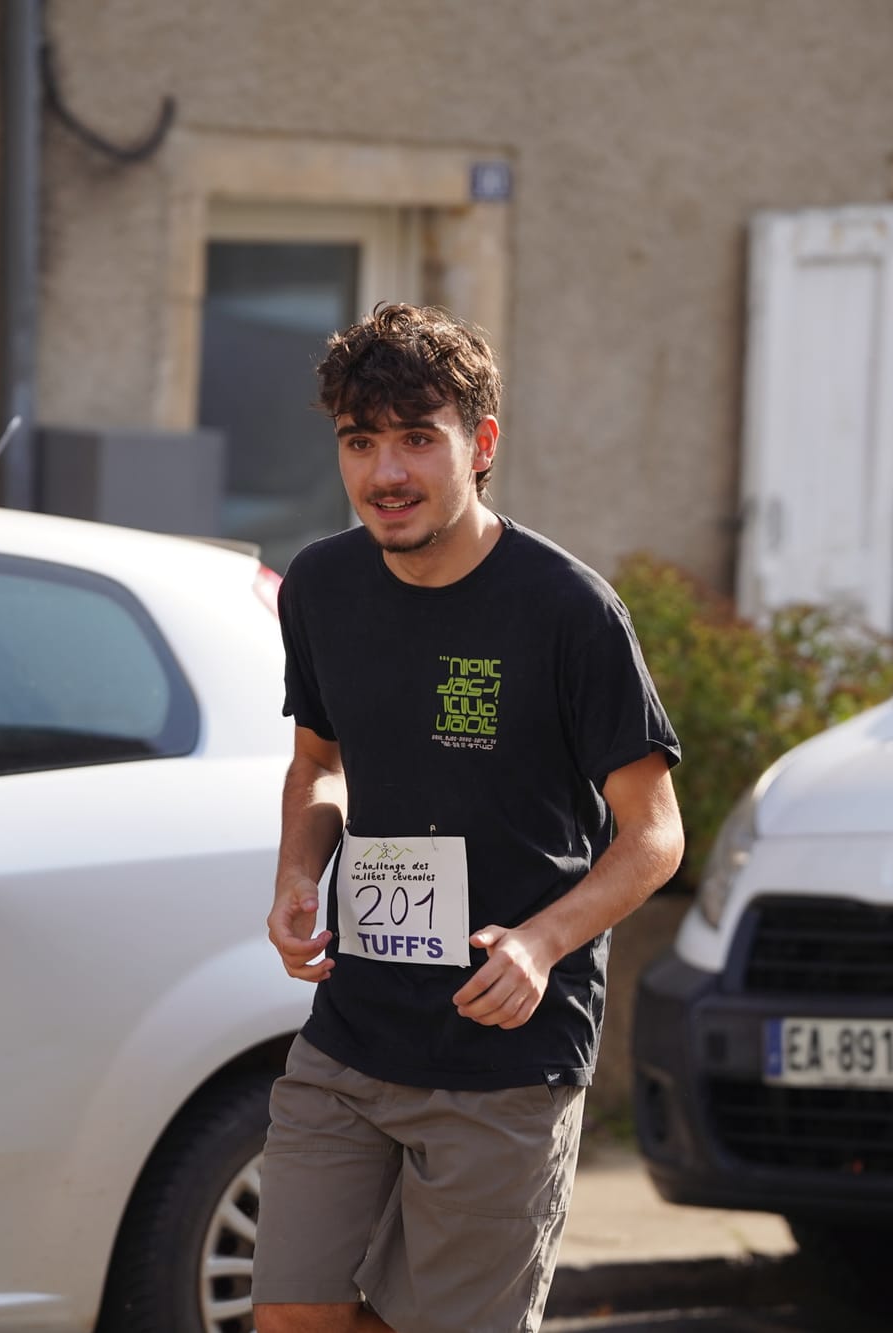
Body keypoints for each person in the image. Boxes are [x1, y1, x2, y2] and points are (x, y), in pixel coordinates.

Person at [254, 303, 684, 1333]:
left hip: (505, 1054)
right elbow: (318, 768)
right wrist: (294, 877)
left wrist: (539, 943)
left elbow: (654, 832)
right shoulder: (320, 587)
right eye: (360, 441)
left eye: (415, 437)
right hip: (352, 1032)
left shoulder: (566, 610)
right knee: (293, 1316)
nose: (384, 472)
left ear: (478, 445)